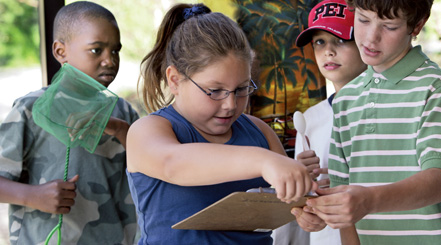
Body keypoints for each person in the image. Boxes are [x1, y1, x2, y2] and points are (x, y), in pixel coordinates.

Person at [126, 3, 317, 244]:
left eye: (241, 89)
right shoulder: (148, 130)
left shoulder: (259, 131)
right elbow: (173, 163)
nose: (230, 104)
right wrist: (266, 161)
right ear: (174, 80)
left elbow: (288, 208)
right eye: (215, 90)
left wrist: (304, 201)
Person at [294, 0, 441, 244]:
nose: (370, 38)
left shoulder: (436, 88)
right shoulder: (346, 99)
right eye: (363, 20)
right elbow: (342, 194)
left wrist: (369, 200)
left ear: (417, 25)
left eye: (389, 27)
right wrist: (322, 211)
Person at [0, 1, 139, 244]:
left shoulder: (123, 112)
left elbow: (153, 164)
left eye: (115, 50)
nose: (110, 60)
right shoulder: (30, 109)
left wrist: (120, 129)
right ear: (60, 52)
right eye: (97, 50)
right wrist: (32, 196)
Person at [272, 0, 367, 244]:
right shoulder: (309, 119)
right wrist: (304, 190)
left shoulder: (386, 107)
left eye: (341, 39)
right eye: (320, 42)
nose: (328, 51)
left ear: (367, 42)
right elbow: (305, 209)